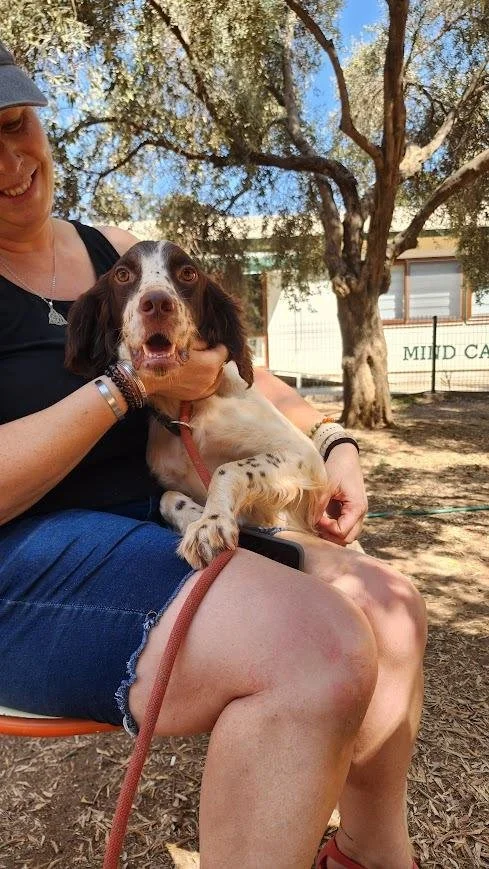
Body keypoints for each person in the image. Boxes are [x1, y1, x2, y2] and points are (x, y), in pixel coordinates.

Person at [0, 42, 426, 869]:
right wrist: (127, 386)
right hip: (25, 563)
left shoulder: (113, 251)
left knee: (394, 605)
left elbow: (236, 371)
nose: (12, 162)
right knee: (320, 647)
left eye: (18, 125)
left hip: (157, 524)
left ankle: (371, 855)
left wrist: (334, 442)